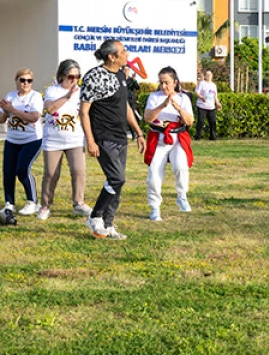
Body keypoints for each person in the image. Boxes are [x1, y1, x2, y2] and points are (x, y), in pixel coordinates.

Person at [80, 39, 147, 240]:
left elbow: (125, 106)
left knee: (116, 183)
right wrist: (90, 141)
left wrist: (138, 132)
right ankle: (95, 216)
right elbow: (84, 112)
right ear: (112, 56)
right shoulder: (94, 76)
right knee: (117, 178)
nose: (127, 54)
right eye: (124, 51)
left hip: (120, 136)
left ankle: (107, 226)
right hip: (103, 136)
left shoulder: (120, 75)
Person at [38, 59, 91, 221]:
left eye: (77, 77)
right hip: (53, 140)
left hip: (75, 139)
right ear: (62, 75)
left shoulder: (82, 92)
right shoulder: (53, 91)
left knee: (78, 171)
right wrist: (68, 96)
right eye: (70, 77)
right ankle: (45, 205)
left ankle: (78, 203)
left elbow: (86, 113)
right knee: (51, 174)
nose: (74, 81)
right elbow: (50, 108)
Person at [144, 66, 195, 222]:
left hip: (177, 137)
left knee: (180, 166)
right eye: (161, 82)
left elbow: (190, 121)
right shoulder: (154, 97)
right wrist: (162, 105)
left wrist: (177, 107)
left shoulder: (183, 98)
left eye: (167, 82)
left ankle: (181, 195)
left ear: (175, 82)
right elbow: (148, 118)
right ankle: (155, 207)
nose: (164, 86)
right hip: (159, 137)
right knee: (154, 172)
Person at [0, 67, 44, 222]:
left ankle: (32, 201)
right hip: (12, 139)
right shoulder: (11, 96)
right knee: (8, 172)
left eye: (29, 81)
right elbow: (0, 119)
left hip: (32, 139)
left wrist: (13, 110)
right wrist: (4, 111)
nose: (25, 83)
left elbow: (34, 117)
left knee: (22, 169)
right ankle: (9, 203)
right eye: (22, 80)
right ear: (16, 81)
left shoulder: (35, 97)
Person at [194, 69, 220, 141]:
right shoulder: (202, 83)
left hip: (211, 107)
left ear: (212, 76)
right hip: (202, 106)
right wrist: (201, 97)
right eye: (207, 74)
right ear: (205, 76)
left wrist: (217, 103)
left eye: (210, 74)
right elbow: (196, 92)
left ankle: (212, 137)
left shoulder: (213, 85)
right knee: (201, 122)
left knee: (213, 122)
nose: (208, 76)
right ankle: (198, 137)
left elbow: (215, 96)